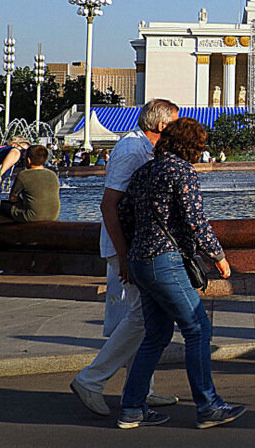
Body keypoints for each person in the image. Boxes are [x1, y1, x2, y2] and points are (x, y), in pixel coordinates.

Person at [116, 117, 243, 429]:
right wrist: (218, 256)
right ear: (193, 146)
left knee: (156, 335)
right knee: (198, 329)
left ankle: (132, 407)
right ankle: (208, 406)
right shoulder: (181, 170)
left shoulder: (146, 170)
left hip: (141, 260)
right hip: (165, 261)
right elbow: (194, 218)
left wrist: (133, 253)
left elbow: (124, 213)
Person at [71, 100, 181, 418]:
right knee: (143, 318)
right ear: (161, 125)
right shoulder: (132, 150)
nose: (178, 125)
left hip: (134, 248)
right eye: (175, 121)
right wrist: (123, 255)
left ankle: (140, 388)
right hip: (128, 249)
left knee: (142, 318)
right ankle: (91, 380)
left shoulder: (143, 148)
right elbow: (109, 205)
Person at [0, 137, 28, 274]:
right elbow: (14, 155)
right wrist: (0, 174)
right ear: (16, 144)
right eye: (25, 150)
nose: (24, 155)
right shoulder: (14, 150)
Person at [1, 144, 60, 222]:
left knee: (0, 205)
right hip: (53, 216)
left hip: (32, 216)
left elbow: (12, 198)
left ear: (29, 160)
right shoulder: (52, 175)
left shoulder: (23, 175)